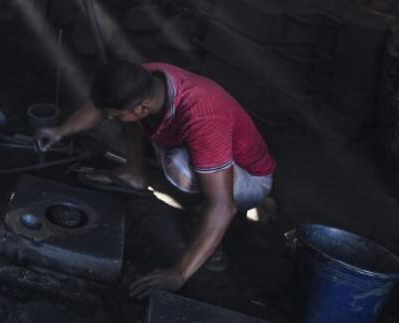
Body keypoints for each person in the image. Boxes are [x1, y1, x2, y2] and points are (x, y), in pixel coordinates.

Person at [36, 60, 277, 299]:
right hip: (206, 151)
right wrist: (60, 131)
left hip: (252, 178)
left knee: (179, 167)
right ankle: (135, 173)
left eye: (115, 116)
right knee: (130, 118)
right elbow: (102, 108)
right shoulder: (147, 78)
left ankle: (211, 236)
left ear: (142, 106)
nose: (112, 118)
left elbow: (222, 206)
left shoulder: (202, 119)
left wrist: (179, 273)